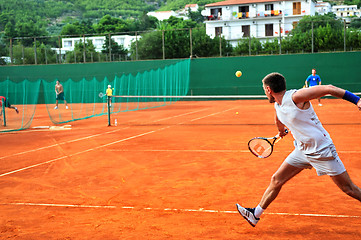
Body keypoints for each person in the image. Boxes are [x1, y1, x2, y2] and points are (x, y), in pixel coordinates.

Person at [237, 72, 361, 227]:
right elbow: (278, 118)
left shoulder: (295, 97)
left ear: (269, 89)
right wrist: (281, 131)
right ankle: (255, 214)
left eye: (264, 90)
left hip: (321, 150)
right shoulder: (278, 104)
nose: (264, 93)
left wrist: (357, 100)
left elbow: (328, 88)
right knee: (276, 179)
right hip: (302, 150)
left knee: (349, 189)